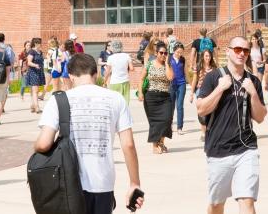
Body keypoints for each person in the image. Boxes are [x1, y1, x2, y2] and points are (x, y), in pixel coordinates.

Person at [34, 53, 144, 213]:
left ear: (71, 76)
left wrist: (35, 146)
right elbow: (128, 145)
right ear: (96, 73)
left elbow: (44, 144)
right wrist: (135, 183)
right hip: (103, 184)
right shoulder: (116, 99)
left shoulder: (58, 100)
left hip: (69, 184)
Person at [195, 36, 266, 214]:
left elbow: (259, 117)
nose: (242, 53)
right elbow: (201, 109)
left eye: (245, 50)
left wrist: (253, 95)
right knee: (216, 205)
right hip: (219, 149)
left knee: (247, 202)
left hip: (246, 148)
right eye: (237, 49)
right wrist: (220, 88)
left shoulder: (253, 81)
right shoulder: (214, 77)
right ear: (228, 51)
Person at [139, 42, 174, 154]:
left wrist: (167, 63)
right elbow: (141, 79)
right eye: (161, 53)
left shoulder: (167, 65)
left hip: (165, 97)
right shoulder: (149, 64)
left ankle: (161, 142)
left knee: (167, 120)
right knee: (154, 122)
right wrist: (140, 93)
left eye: (165, 53)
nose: (163, 55)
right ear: (156, 53)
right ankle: (155, 146)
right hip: (151, 97)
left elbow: (170, 77)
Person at [193, 49, 220, 143]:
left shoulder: (214, 67)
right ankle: (203, 133)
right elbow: (194, 80)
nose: (208, 58)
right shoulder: (199, 67)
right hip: (200, 91)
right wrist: (191, 93)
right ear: (203, 57)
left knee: (212, 111)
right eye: (206, 56)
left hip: (211, 91)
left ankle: (211, 131)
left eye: (209, 56)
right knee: (202, 112)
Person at [170, 43, 188, 135]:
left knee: (180, 106)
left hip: (181, 84)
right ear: (174, 50)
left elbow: (185, 71)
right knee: (171, 106)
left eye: (181, 52)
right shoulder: (169, 58)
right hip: (172, 84)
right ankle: (170, 125)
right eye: (178, 52)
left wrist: (189, 82)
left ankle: (179, 127)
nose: (179, 54)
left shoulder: (183, 59)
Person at [24, 39, 46, 114]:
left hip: (39, 72)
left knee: (35, 90)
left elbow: (43, 60)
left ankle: (33, 105)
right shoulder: (31, 51)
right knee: (35, 91)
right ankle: (37, 107)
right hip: (33, 72)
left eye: (40, 43)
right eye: (39, 43)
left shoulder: (40, 52)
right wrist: (35, 65)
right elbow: (29, 62)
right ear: (35, 43)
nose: (40, 44)